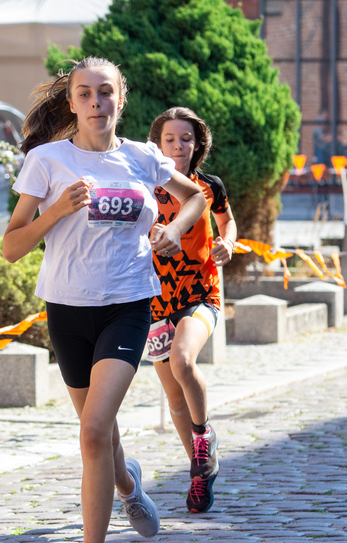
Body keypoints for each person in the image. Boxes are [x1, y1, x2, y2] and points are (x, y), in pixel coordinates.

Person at [2, 58, 207, 543]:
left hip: (129, 303)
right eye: (85, 94)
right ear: (71, 103)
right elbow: (11, 246)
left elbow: (194, 198)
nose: (97, 103)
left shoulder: (142, 157)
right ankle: (129, 486)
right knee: (101, 431)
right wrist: (55, 212)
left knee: (93, 430)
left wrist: (174, 230)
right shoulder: (47, 161)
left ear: (121, 99)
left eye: (106, 93)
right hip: (68, 309)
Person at [146, 107, 238, 515]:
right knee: (173, 396)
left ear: (197, 143)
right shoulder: (142, 186)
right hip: (154, 301)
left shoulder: (208, 186)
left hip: (200, 293)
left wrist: (228, 244)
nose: (179, 146)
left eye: (186, 139)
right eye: (170, 139)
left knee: (183, 361)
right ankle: (201, 473)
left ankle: (205, 437)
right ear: (157, 144)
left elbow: (227, 222)